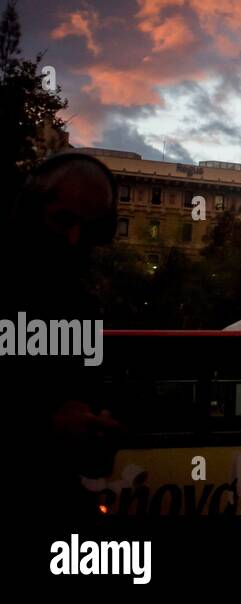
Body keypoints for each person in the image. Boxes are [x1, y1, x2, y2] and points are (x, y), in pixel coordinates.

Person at [0, 151, 124, 518]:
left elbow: (87, 393)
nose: (74, 240)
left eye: (90, 230)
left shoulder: (81, 307)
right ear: (29, 210)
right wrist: (46, 425)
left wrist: (98, 433)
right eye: (63, 221)